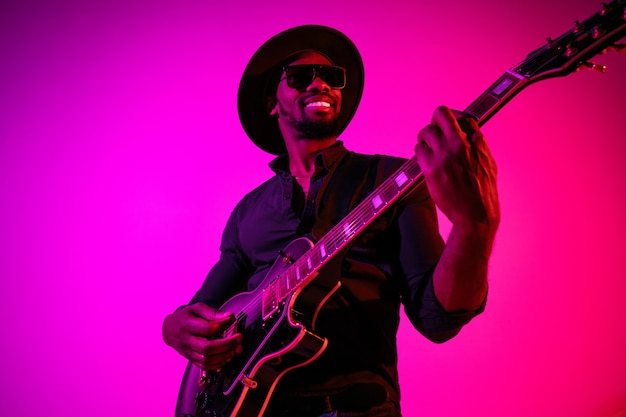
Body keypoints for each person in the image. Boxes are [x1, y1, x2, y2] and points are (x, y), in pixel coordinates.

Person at [162, 25, 499, 417]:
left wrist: (474, 228)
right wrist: (173, 327)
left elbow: (437, 318)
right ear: (274, 102)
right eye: (301, 76)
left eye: (332, 77)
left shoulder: (393, 181)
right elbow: (205, 310)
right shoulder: (247, 211)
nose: (320, 83)